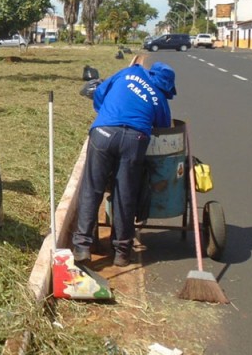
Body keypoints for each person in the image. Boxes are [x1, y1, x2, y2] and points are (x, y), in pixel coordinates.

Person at [72, 61, 177, 267]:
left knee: (92, 188)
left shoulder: (128, 72)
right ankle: (121, 252)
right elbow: (162, 130)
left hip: (103, 133)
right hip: (134, 141)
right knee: (125, 193)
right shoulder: (160, 98)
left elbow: (100, 92)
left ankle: (82, 247)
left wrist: (109, 113)